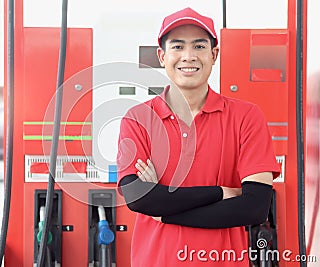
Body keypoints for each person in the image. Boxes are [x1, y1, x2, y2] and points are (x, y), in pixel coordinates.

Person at [116, 7, 280, 267]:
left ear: (214, 55)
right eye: (178, 47)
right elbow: (139, 198)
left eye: (199, 46)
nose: (188, 56)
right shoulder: (138, 119)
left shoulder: (246, 117)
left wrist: (166, 210)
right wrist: (221, 193)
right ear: (162, 56)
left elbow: (254, 207)